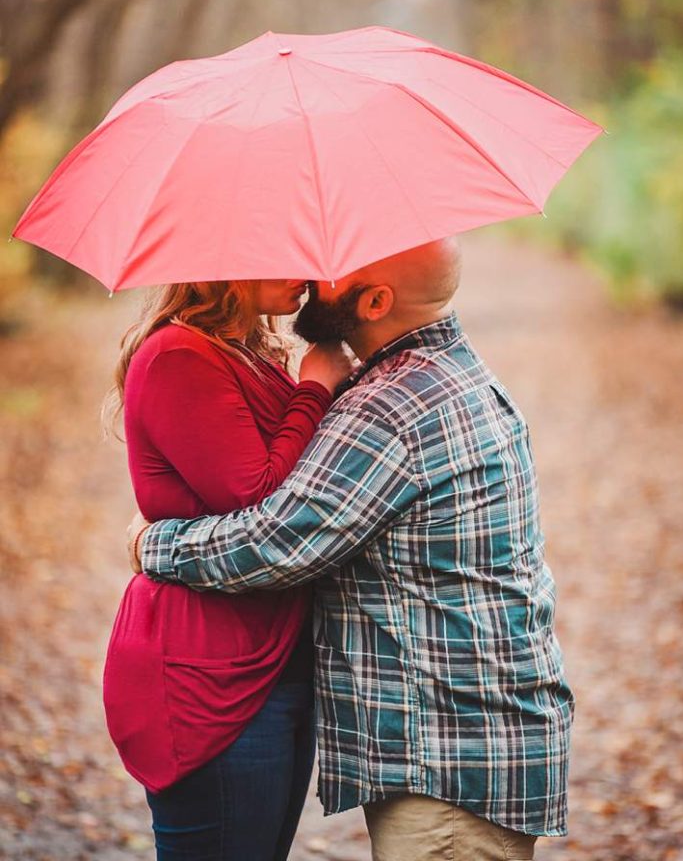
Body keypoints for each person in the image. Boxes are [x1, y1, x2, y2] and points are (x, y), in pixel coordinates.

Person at [129, 237, 574, 861]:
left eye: (337, 265)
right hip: (474, 741)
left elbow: (276, 543)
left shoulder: (394, 404)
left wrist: (156, 543)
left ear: (374, 300)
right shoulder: (449, 372)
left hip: (450, 759)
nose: (314, 267)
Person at [102, 278, 352, 861]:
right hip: (210, 670)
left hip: (273, 654)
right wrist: (315, 388)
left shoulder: (250, 353)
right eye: (288, 248)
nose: (308, 270)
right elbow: (258, 498)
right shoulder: (178, 356)